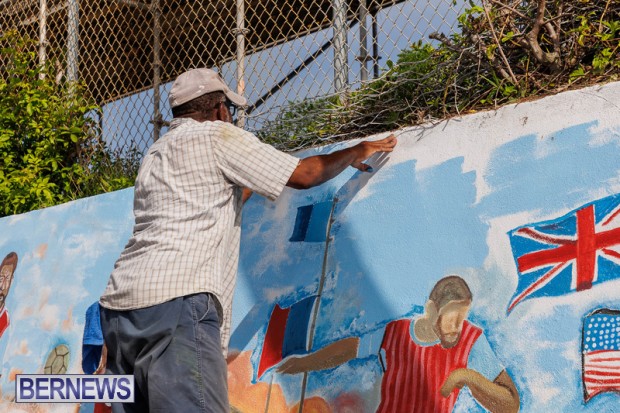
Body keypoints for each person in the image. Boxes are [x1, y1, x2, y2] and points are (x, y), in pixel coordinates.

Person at [98, 67, 397, 413]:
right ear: (219, 109)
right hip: (177, 302)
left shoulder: (155, 155)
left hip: (119, 309)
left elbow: (211, 203)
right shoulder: (217, 137)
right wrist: (356, 150)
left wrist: (256, 174)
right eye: (231, 112)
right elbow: (306, 175)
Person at [277, 275, 520, 413]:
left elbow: (510, 405)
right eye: (452, 318)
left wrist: (467, 376)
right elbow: (350, 349)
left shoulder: (470, 341)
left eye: (463, 318)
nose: (458, 327)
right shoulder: (395, 333)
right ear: (431, 310)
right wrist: (304, 363)